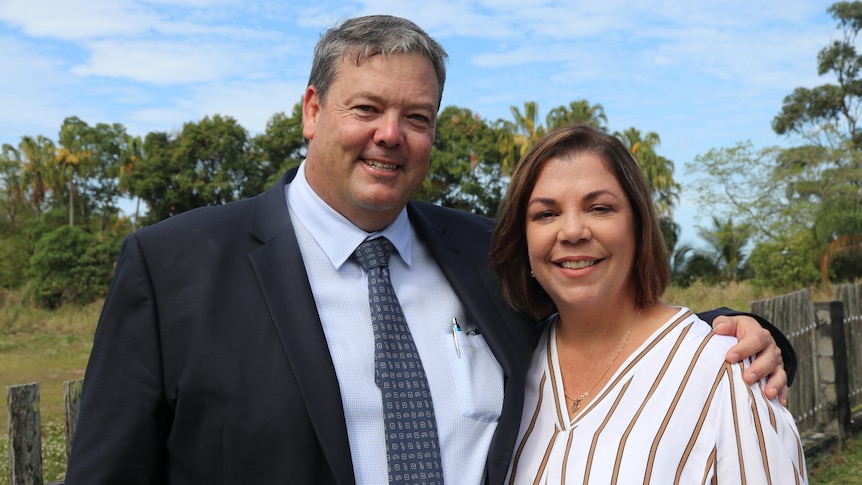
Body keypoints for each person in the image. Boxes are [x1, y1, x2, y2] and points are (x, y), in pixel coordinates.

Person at [65, 15, 795, 485]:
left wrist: (736, 334)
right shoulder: (176, 267)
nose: (391, 134)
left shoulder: (487, 256)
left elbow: (600, 309)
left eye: (416, 117)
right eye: (367, 108)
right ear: (313, 110)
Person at [491, 124, 806, 484]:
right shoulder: (506, 365)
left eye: (599, 208)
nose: (573, 231)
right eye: (546, 214)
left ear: (638, 227)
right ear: (522, 237)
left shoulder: (725, 371)